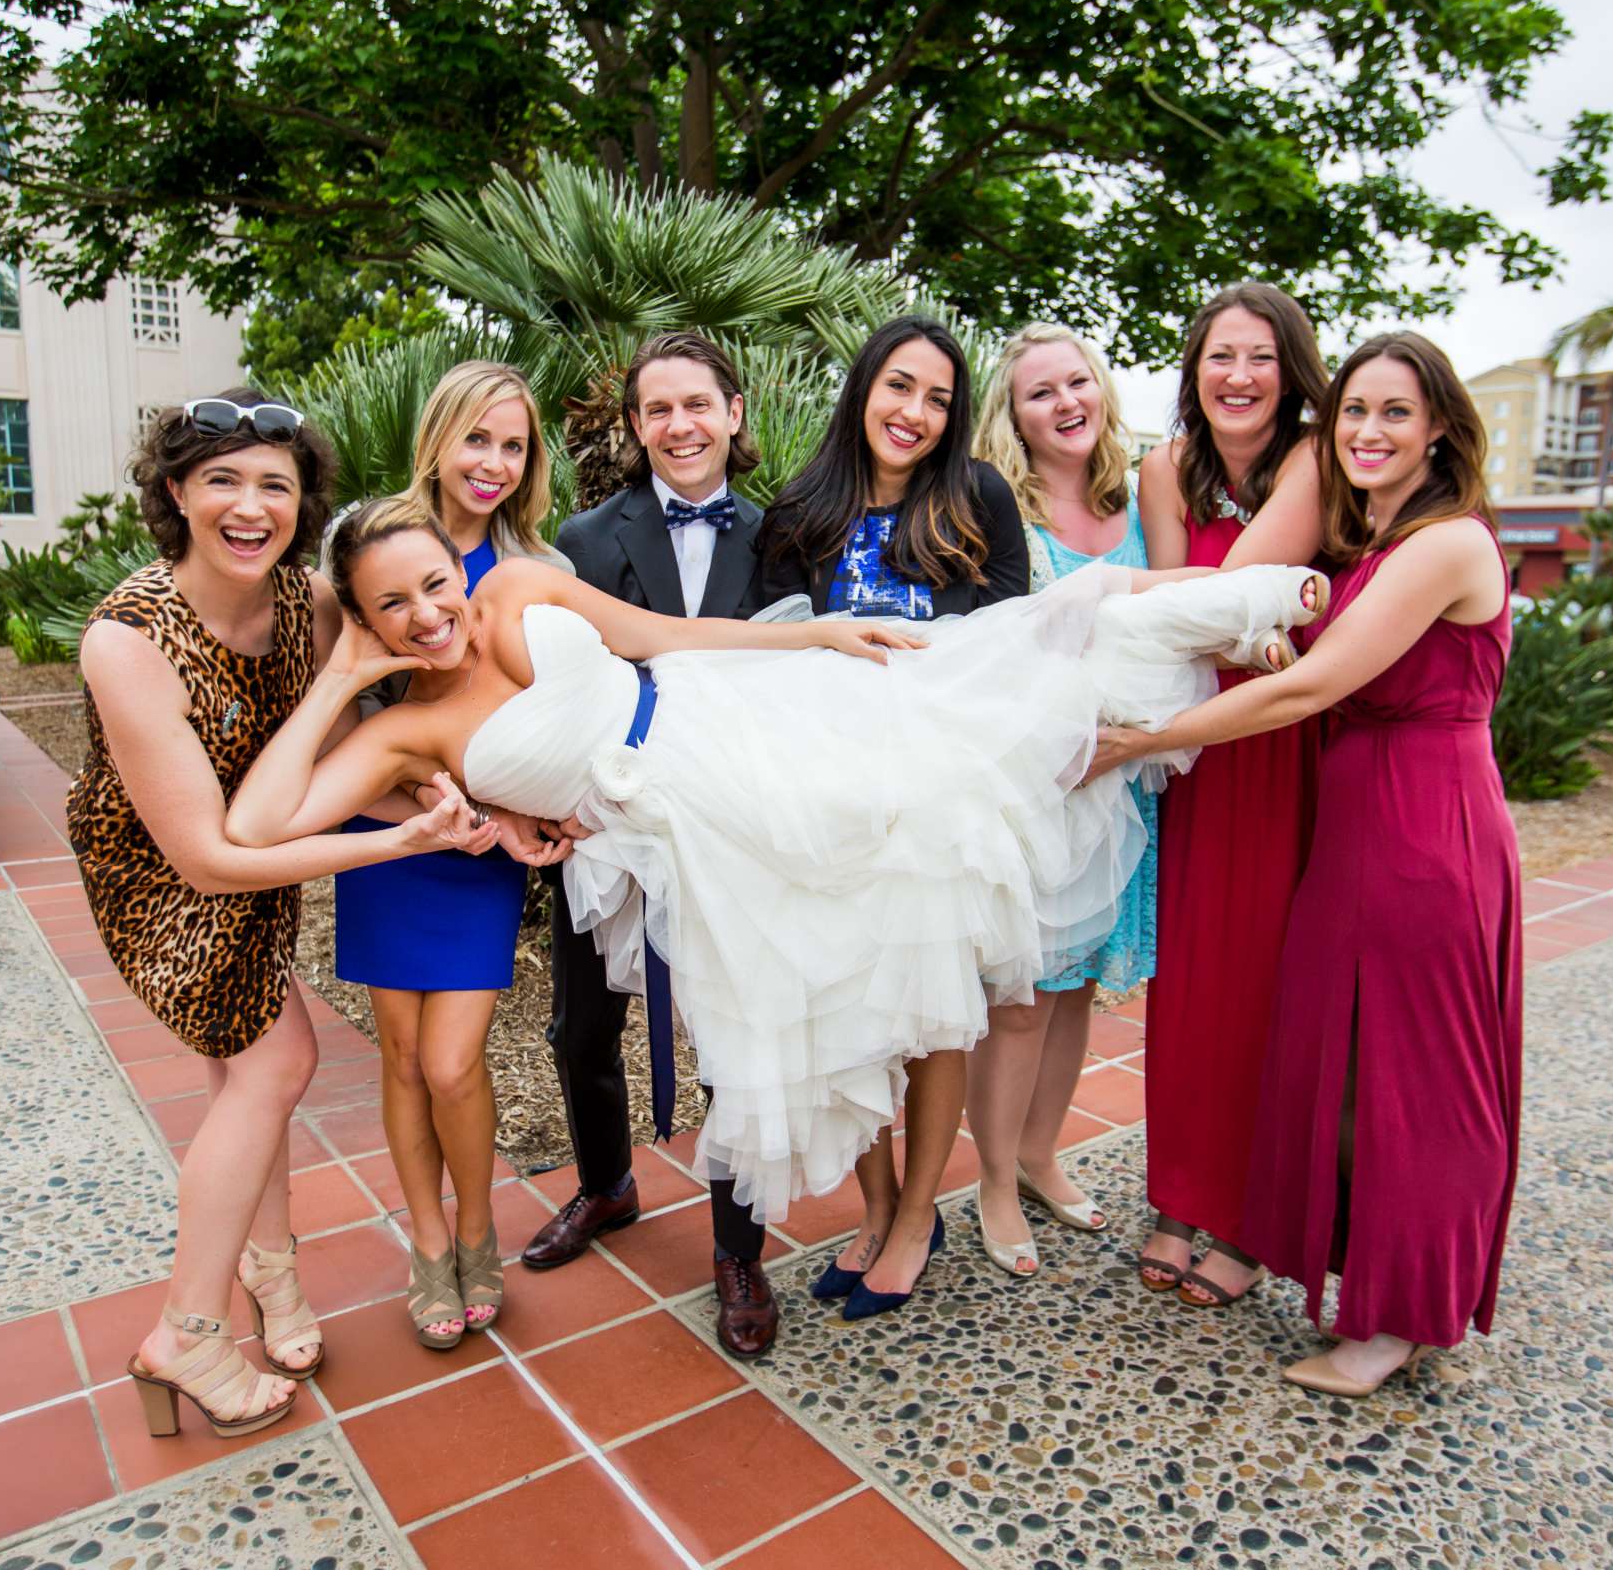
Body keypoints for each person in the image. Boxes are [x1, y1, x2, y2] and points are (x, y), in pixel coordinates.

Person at [222, 491, 1324, 1327]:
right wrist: (336, 682)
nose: (426, 614)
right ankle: (872, 1211)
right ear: (360, 619)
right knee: (825, 977)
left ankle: (1230, 618)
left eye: (431, 582)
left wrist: (811, 636)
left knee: (966, 700)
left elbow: (663, 636)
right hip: (694, 837)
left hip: (737, 723)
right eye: (390, 606)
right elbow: (259, 828)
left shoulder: (515, 589)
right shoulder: (400, 731)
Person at [1086, 331, 1522, 1398]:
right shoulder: (1380, 541)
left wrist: (1141, 740)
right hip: (1361, 819)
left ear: (1441, 433)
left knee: (1423, 1083)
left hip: (1427, 827)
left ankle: (1403, 1317)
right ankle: (1370, 1282)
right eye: (1359, 412)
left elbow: (1308, 690)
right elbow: (1331, 658)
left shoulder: (1446, 543)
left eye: (1396, 415)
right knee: (1358, 1074)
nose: (1370, 434)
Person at [68, 391, 497, 1439]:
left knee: (235, 1081)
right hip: (163, 881)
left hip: (270, 855)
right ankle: (188, 1333)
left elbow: (346, 768)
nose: (249, 505)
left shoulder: (312, 599)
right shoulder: (128, 640)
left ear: (302, 502)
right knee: (275, 1063)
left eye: (275, 482)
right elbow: (212, 862)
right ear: (176, 493)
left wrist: (447, 807)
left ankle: (276, 1282)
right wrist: (403, 842)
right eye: (221, 479)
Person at [750, 314, 1032, 1317]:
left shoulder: (977, 497)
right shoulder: (800, 508)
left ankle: (920, 1213)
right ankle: (872, 1208)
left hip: (939, 794)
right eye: (899, 386)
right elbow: (767, 650)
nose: (914, 411)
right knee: (856, 1004)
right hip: (831, 790)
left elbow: (1012, 641)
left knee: (933, 1009)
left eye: (938, 398)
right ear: (863, 386)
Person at [521, 330, 783, 1359]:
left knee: (730, 1044)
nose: (679, 425)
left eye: (696, 404)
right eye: (656, 409)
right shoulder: (583, 540)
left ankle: (737, 1248)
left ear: (733, 411)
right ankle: (605, 1183)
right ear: (635, 427)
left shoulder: (782, 539)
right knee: (582, 1028)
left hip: (730, 828)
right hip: (605, 822)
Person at [324, 361, 574, 1351]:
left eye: (514, 445)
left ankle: (478, 1227)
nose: (494, 464)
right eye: (478, 438)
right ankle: (428, 1242)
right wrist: (422, 802)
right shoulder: (369, 548)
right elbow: (340, 727)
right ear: (438, 436)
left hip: (484, 847)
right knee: (398, 1056)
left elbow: (562, 717)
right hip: (387, 835)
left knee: (452, 1060)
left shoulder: (530, 570)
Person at [1131, 282, 1332, 1308]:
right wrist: (1192, 614)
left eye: (1259, 357)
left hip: (1284, 741)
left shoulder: (1314, 457)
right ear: (1193, 370)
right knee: (1192, 974)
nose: (1238, 377)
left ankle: (1252, 1218)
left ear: (1289, 369)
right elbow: (1194, 623)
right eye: (1219, 357)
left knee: (1265, 981)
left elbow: (1219, 591)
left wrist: (1105, 593)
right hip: (1198, 747)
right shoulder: (1164, 467)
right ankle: (1178, 1195)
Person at [964, 322, 1155, 1276]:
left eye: (1077, 382)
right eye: (1041, 392)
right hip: (1045, 784)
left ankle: (1042, 1153)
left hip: (1134, 775)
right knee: (1026, 995)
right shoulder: (1007, 514)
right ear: (1015, 416)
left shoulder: (1142, 501)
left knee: (1081, 987)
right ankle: (994, 1178)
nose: (1065, 403)